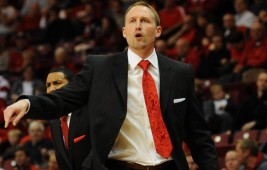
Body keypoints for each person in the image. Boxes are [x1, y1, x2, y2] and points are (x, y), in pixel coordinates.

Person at [3, 2, 218, 170]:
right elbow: (62, 98)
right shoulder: (100, 68)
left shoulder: (181, 73)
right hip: (119, 165)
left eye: (145, 20)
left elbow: (198, 134)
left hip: (169, 166)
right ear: (124, 32)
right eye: (132, 21)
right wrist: (27, 104)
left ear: (159, 30)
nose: (138, 25)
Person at [46, 68, 91, 170]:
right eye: (48, 85)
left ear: (72, 85)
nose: (51, 89)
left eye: (57, 83)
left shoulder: (89, 110)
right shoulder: (54, 122)